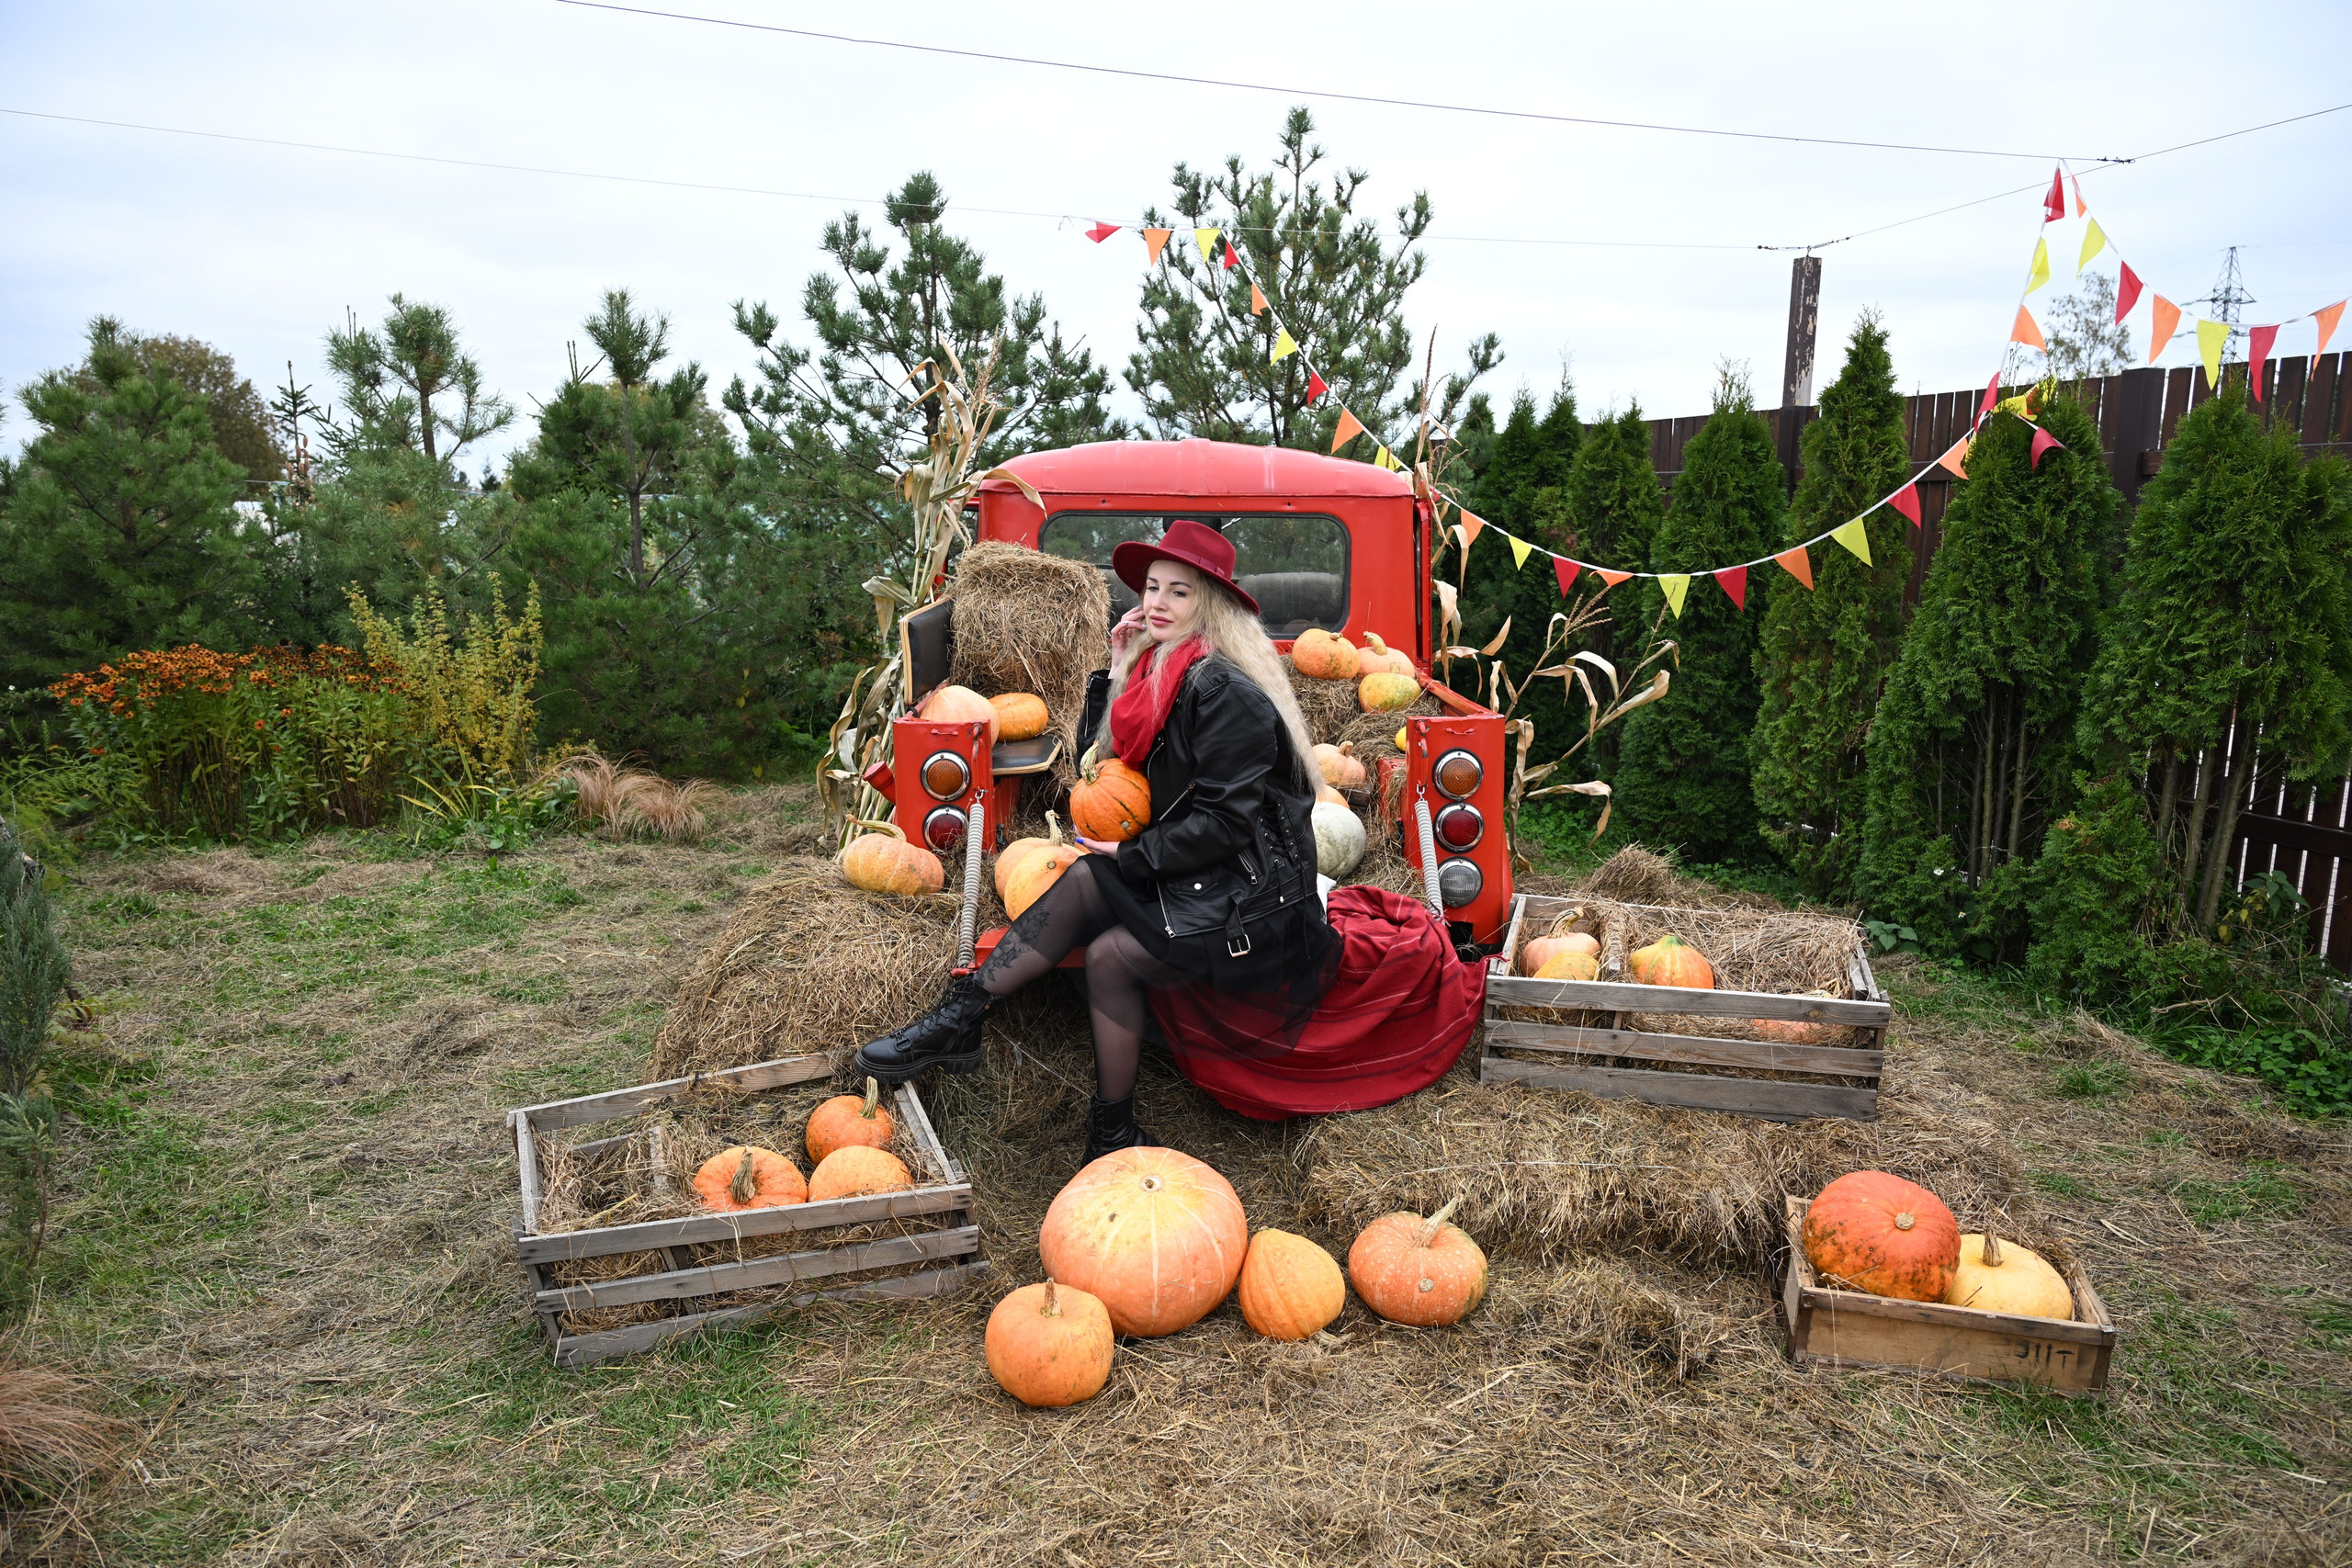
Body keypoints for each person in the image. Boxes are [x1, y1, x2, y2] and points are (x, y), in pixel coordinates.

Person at [855, 520, 1338, 1161]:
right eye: (1152, 588)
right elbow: (1094, 764)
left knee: (1097, 908)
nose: (1158, 603)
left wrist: (1134, 857)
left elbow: (1229, 824)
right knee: (1103, 931)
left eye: (1180, 593)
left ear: (1211, 607)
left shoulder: (1224, 691)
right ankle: (1084, 1109)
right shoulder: (1159, 672)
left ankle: (962, 1022)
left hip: (1254, 893)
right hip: (1202, 867)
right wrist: (1115, 667)